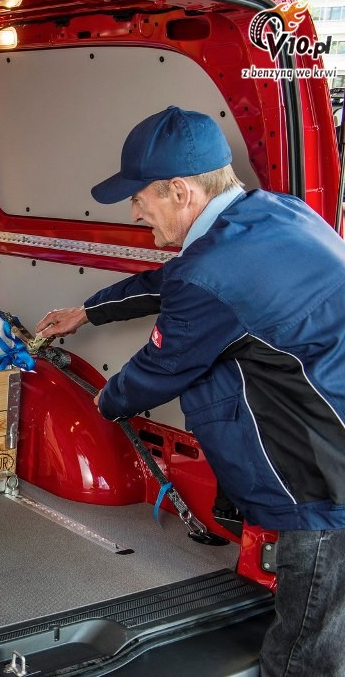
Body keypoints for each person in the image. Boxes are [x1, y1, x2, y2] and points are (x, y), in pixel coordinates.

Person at [35, 106, 345, 677]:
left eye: (139, 199)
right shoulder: (275, 213)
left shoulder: (213, 270)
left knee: (307, 647)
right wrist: (89, 311)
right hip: (330, 431)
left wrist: (103, 401)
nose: (134, 213)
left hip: (324, 477)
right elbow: (172, 282)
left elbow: (160, 367)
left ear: (179, 191)